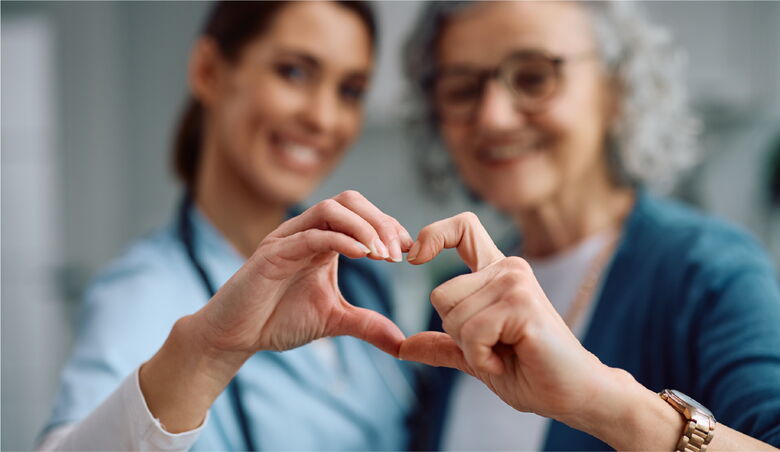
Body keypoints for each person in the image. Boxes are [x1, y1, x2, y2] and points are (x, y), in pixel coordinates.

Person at [400, 1, 780, 450]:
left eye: (534, 76)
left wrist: (601, 401)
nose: (493, 117)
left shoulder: (709, 270)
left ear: (615, 89)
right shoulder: (457, 295)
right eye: (462, 89)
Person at [39, 2, 419, 450]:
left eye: (350, 91)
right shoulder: (144, 291)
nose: (324, 117)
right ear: (208, 72)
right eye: (294, 73)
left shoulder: (362, 273)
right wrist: (207, 353)